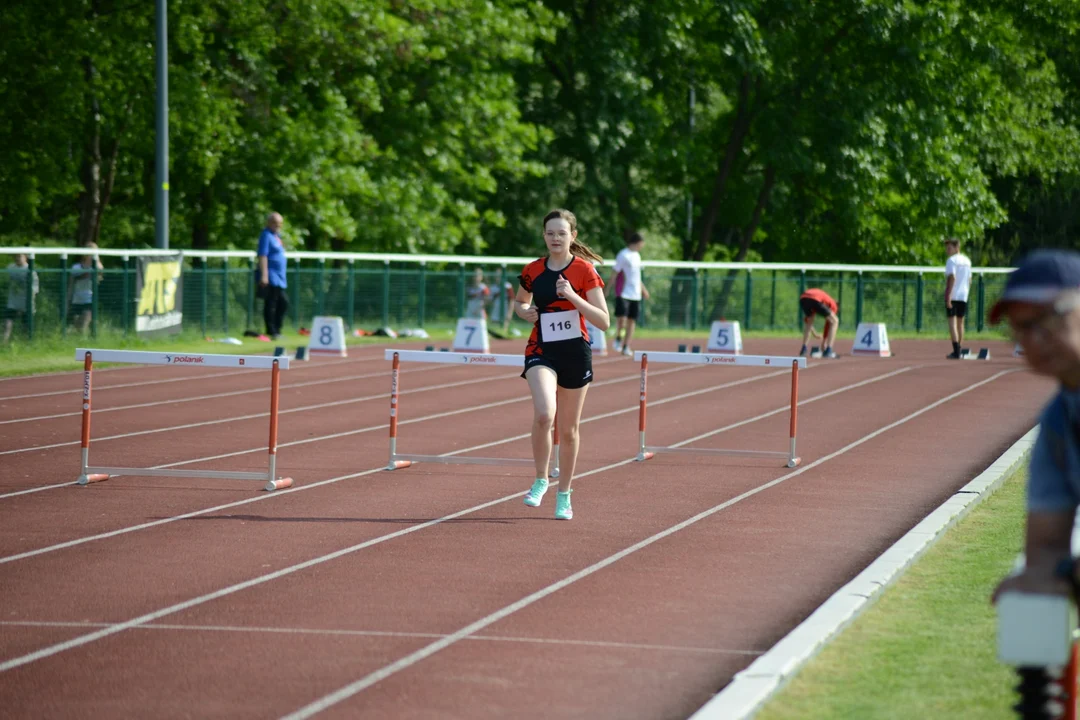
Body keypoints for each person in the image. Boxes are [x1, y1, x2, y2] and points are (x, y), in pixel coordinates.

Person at [991, 250, 1080, 609]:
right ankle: (1044, 667)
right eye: (1019, 326)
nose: (1031, 338)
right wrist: (1041, 578)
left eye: (1045, 319)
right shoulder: (1058, 420)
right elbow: (1045, 545)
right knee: (1028, 605)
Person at [514, 209, 609, 520]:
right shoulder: (532, 270)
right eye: (550, 233)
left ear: (573, 236)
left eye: (561, 233)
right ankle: (541, 478)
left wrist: (572, 296)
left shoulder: (584, 271)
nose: (555, 238)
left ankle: (564, 493)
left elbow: (604, 321)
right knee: (544, 414)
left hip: (574, 352)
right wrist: (524, 311)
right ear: (544, 235)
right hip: (541, 348)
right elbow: (520, 301)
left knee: (568, 431)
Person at [610, 232, 649, 356]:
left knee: (632, 320)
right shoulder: (623, 255)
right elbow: (615, 273)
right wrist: (606, 289)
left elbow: (637, 277)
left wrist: (643, 289)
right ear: (638, 242)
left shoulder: (637, 256)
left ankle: (626, 346)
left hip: (635, 294)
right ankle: (618, 337)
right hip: (624, 292)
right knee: (622, 318)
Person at [257, 212, 288, 340]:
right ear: (269, 223)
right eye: (275, 223)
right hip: (271, 275)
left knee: (283, 303)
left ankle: (276, 329)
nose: (278, 226)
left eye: (280, 223)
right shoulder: (266, 235)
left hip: (280, 277)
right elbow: (263, 255)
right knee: (272, 303)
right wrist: (264, 275)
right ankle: (272, 331)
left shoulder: (277, 236)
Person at [944, 238, 973, 359]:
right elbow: (970, 280)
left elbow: (952, 277)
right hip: (964, 295)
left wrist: (948, 294)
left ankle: (956, 351)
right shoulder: (967, 261)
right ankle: (959, 348)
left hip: (954, 294)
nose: (947, 250)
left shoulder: (951, 260)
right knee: (961, 323)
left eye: (949, 247)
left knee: (952, 323)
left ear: (957, 247)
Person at [4, 254, 39, 344]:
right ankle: (4, 342)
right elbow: (5, 279)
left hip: (26, 302)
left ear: (25, 257)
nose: (17, 258)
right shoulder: (10, 267)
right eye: (15, 256)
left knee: (25, 326)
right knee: (8, 322)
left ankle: (25, 344)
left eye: (19, 256)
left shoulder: (30, 270)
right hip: (13, 301)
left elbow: (35, 289)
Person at [68, 248, 102, 334]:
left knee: (84, 325)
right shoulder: (76, 267)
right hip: (77, 300)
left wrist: (96, 259)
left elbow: (101, 271)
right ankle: (82, 341)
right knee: (77, 327)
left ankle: (87, 341)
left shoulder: (96, 268)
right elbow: (72, 282)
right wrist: (68, 299)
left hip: (89, 300)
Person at [798, 288, 839, 358]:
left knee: (809, 321)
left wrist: (815, 334)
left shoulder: (823, 299)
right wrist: (824, 342)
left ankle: (803, 349)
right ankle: (829, 350)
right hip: (815, 298)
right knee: (835, 321)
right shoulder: (834, 305)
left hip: (803, 298)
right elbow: (828, 324)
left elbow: (807, 321)